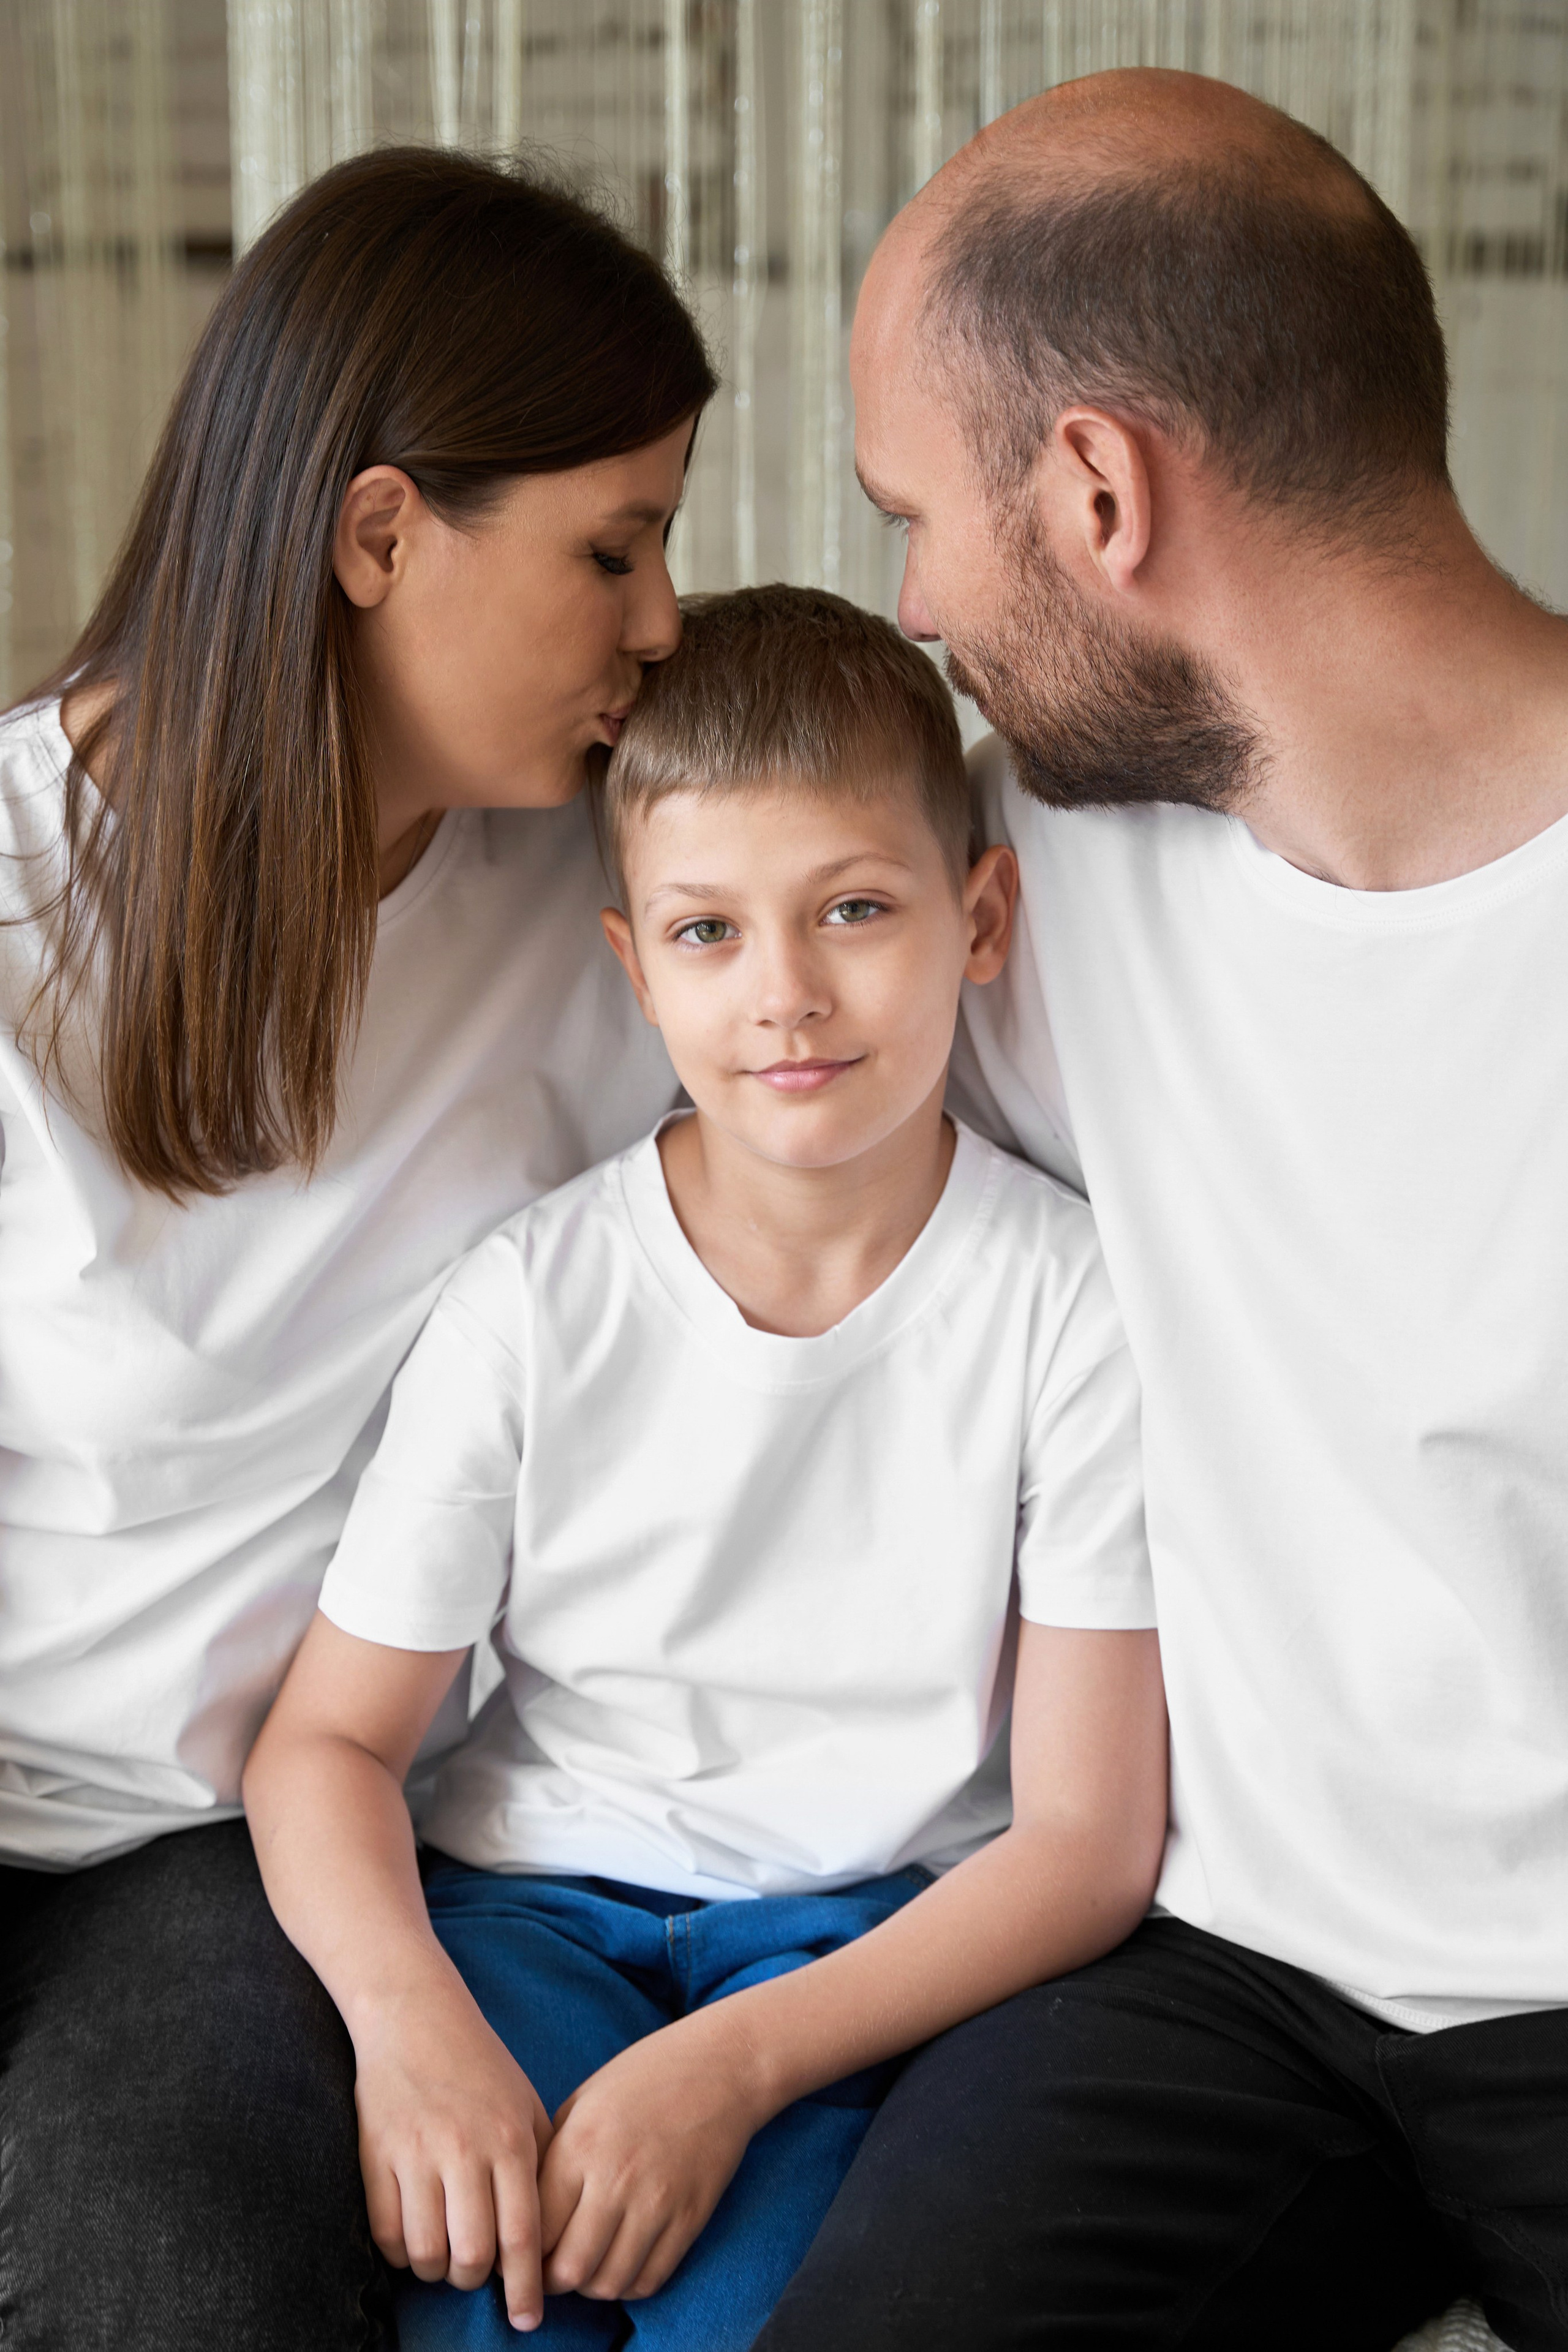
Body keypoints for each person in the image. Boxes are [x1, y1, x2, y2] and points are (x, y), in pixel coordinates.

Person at [753, 66, 1568, 2352]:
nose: (912, 604)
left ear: (1099, 489)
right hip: (1215, 1975)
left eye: (916, 512)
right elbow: (683, 955)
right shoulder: (1038, 871)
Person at [241, 584, 1169, 2350]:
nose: (788, 997)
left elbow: (1086, 1841)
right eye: (709, 933)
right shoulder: (534, 1295)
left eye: (856, 909)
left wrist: (733, 2068)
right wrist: (413, 2032)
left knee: (752, 2319)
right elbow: (330, 1741)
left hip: (855, 1959)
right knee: (479, 2311)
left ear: (981, 919)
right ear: (632, 962)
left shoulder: (1069, 1307)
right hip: (528, 1915)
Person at [0, 148, 715, 2352]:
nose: (662, 620)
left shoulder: (607, 897)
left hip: (222, 1840)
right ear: (379, 532)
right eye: (614, 546)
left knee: (187, 2284)